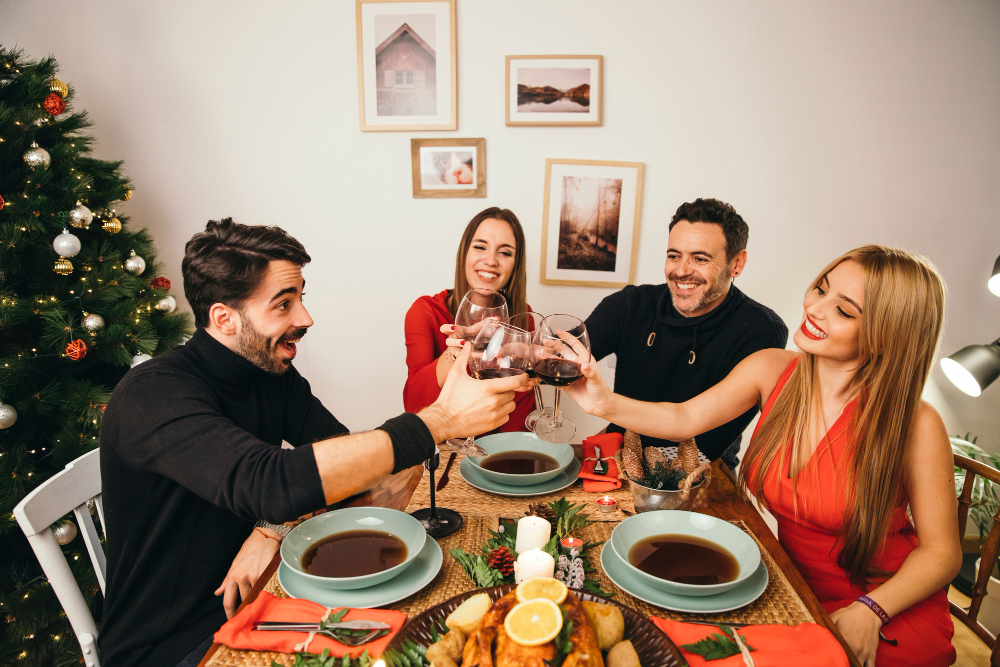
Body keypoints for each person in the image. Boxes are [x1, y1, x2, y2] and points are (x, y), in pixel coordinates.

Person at [98, 219, 527, 667]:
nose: (305, 318)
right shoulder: (153, 394)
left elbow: (341, 457)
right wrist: (436, 421)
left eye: (302, 298)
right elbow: (272, 481)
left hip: (270, 594)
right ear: (224, 318)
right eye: (283, 304)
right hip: (176, 642)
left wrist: (271, 529)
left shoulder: (269, 373)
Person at [565, 245, 961, 667]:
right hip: (784, 586)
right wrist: (601, 403)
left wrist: (871, 611)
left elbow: (942, 553)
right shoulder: (772, 369)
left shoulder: (916, 423)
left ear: (889, 334)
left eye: (844, 311)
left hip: (886, 606)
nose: (816, 308)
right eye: (821, 289)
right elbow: (684, 417)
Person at [584, 198, 788, 468]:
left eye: (700, 258)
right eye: (674, 255)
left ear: (737, 263)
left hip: (703, 473)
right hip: (620, 457)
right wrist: (545, 356)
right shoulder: (631, 304)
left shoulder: (762, 330)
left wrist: (605, 404)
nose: (681, 271)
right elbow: (567, 355)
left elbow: (696, 428)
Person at [404, 207, 535, 431]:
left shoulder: (522, 315)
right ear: (465, 252)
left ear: (515, 265)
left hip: (501, 450)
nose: (491, 260)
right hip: (446, 445)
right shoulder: (425, 311)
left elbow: (521, 406)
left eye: (504, 252)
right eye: (480, 247)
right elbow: (413, 406)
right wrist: (457, 352)